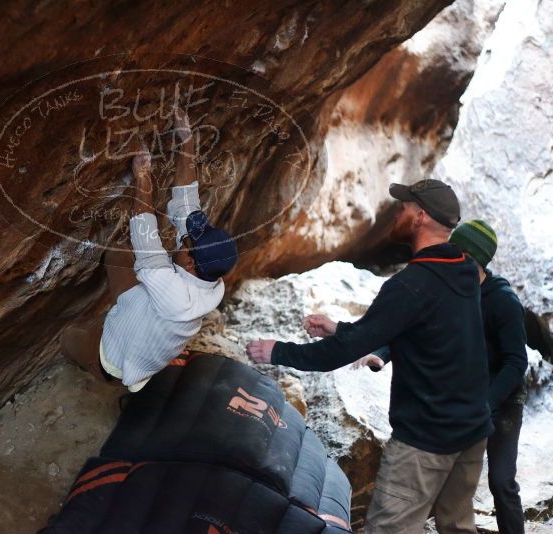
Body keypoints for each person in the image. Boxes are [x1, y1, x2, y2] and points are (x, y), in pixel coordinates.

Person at [246, 179, 493, 534]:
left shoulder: (409, 286)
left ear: (420, 216)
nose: (397, 212)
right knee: (457, 526)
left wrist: (277, 351)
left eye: (404, 206)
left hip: (426, 441)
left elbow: (345, 352)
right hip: (471, 432)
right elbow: (417, 327)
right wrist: (341, 328)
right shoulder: (465, 270)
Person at [353, 219, 528, 534]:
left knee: (501, 481)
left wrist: (486, 403)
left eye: (457, 252)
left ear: (474, 260)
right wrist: (382, 353)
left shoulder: (502, 301)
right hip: (461, 398)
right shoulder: (447, 288)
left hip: (501, 398)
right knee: (452, 493)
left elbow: (516, 363)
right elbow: (416, 327)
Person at [61, 106, 238, 391]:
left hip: (113, 360)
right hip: (147, 307)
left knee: (69, 338)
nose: (182, 238)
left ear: (191, 263)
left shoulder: (177, 297)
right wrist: (187, 140)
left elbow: (144, 231)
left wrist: (143, 174)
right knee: (119, 254)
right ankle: (117, 316)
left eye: (186, 242)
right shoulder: (208, 275)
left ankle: (89, 360)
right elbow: (186, 202)